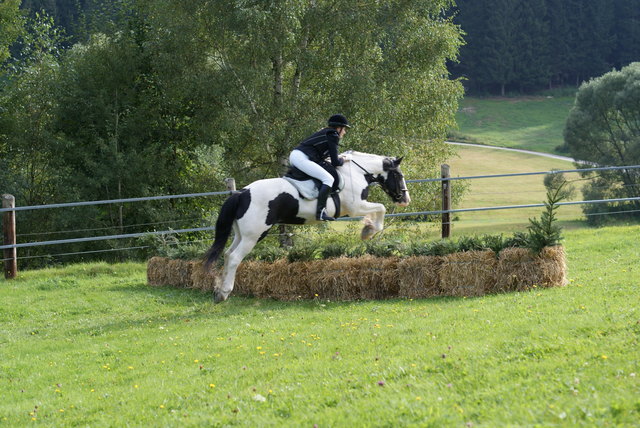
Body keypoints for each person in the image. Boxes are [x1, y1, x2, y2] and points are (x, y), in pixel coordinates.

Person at [289, 114, 351, 221]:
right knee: (328, 179)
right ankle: (320, 212)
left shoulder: (327, 132)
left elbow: (327, 156)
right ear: (338, 128)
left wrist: (339, 157)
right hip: (302, 158)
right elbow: (335, 162)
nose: (344, 132)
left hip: (298, 155)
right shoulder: (333, 134)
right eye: (344, 129)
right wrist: (344, 159)